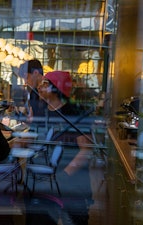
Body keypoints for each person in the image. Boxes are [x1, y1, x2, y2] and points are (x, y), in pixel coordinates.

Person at [36, 71, 93, 225]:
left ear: (56, 88)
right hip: (47, 186)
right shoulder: (41, 112)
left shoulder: (73, 113)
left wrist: (65, 175)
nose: (40, 87)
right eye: (41, 83)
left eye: (45, 84)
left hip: (72, 186)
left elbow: (86, 149)